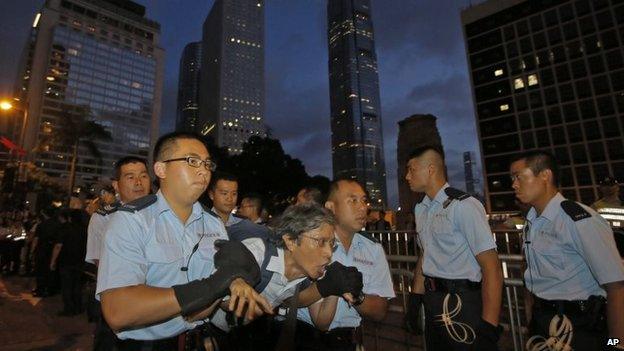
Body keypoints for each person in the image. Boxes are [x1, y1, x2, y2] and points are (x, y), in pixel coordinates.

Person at [97, 132, 272, 350]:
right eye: (192, 161)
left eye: (207, 163)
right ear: (161, 169)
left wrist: (237, 291)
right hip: (146, 345)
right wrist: (214, 286)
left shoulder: (214, 224)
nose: (203, 170)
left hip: (200, 340)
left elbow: (218, 295)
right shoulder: (132, 220)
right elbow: (118, 310)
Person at [509, 150, 624, 350]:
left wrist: (615, 344)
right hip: (542, 322)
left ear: (545, 175)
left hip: (580, 326)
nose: (514, 185)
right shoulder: (532, 222)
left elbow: (616, 287)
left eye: (518, 177)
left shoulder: (578, 220)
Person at [209, 203, 364, 350]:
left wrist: (334, 287)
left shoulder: (307, 272)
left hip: (244, 338)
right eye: (320, 242)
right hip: (211, 332)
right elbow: (217, 294)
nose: (329, 253)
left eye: (331, 244)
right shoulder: (256, 253)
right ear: (290, 241)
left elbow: (321, 322)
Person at [405, 146, 503, 351]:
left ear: (430, 169)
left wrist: (488, 327)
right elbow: (425, 255)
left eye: (411, 169)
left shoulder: (464, 205)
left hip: (463, 301)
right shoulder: (421, 209)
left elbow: (491, 266)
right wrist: (415, 300)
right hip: (433, 301)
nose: (407, 176)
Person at [296, 179, 395, 351]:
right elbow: (289, 298)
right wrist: (330, 286)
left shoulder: (373, 249)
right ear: (330, 207)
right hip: (304, 338)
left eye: (364, 200)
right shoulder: (310, 241)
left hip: (348, 341)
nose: (363, 207)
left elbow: (380, 311)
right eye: (352, 200)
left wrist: (358, 297)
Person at [85, 156, 152, 351]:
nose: (138, 182)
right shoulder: (103, 218)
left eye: (143, 176)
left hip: (157, 306)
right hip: (118, 304)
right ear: (116, 184)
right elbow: (100, 263)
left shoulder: (162, 215)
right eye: (130, 177)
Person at [209, 172, 269, 241]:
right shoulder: (199, 222)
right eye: (224, 193)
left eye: (234, 194)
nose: (230, 198)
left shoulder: (244, 225)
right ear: (211, 195)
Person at [50, 209, 88, 316]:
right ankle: (78, 307)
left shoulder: (65, 229)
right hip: (80, 261)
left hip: (66, 261)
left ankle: (69, 308)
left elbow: (58, 246)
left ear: (70, 218)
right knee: (77, 285)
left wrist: (53, 261)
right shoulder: (84, 230)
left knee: (67, 286)